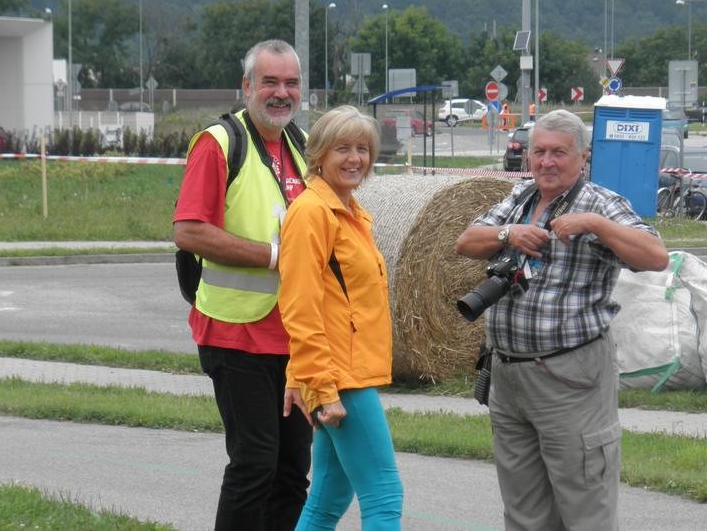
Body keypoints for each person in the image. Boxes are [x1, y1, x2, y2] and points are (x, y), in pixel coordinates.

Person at [455, 109, 668, 531]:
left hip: (570, 378)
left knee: (583, 504)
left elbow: (655, 256)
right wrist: (508, 234)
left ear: (583, 156)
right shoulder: (521, 198)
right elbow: (465, 241)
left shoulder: (601, 203)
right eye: (539, 152)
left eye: (559, 153)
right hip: (508, 375)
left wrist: (594, 225)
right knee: (523, 509)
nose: (546, 162)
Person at [173, 39, 312, 531]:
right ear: (247, 86)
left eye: (291, 83)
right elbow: (189, 231)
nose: (281, 93)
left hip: (295, 337)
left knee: (293, 473)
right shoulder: (218, 143)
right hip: (236, 331)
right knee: (255, 464)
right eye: (270, 82)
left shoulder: (299, 143)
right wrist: (275, 257)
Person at [278, 105, 404, 530]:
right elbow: (299, 304)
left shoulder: (347, 212)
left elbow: (337, 302)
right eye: (343, 149)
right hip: (340, 378)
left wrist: (302, 379)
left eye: (363, 149)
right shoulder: (312, 213)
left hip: (342, 374)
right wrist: (319, 385)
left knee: (326, 501)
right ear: (319, 155)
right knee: (384, 494)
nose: (355, 159)